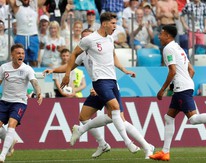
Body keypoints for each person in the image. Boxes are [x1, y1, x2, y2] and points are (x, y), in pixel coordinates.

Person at [43, 26, 154, 159]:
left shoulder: (103, 47)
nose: (86, 39)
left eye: (88, 36)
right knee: (84, 116)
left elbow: (112, 60)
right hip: (98, 88)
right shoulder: (83, 55)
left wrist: (124, 70)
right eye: (83, 37)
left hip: (107, 86)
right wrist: (53, 70)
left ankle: (147, 146)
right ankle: (102, 144)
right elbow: (69, 67)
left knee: (119, 119)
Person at [148, 24, 206, 161]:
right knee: (169, 118)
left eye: (161, 34)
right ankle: (165, 152)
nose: (159, 36)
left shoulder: (168, 49)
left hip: (181, 88)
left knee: (193, 119)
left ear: (168, 36)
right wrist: (184, 83)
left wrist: (163, 89)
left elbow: (172, 71)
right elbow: (192, 70)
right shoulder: (178, 48)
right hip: (184, 86)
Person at [0, 43, 43, 162]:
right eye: (18, 53)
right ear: (12, 55)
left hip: (19, 102)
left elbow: (35, 83)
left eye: (23, 53)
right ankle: (11, 142)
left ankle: (2, 155)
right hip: (4, 101)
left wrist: (39, 92)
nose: (21, 55)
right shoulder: (4, 67)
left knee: (11, 124)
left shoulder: (27, 69)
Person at [8, 0, 46, 67]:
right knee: (20, 59)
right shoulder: (17, 7)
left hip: (33, 36)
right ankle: (21, 75)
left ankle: (33, 75)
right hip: (21, 36)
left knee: (34, 60)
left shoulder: (35, 6)